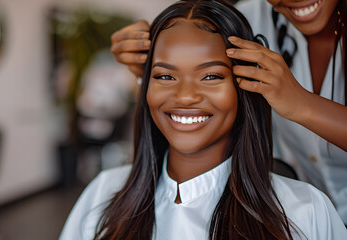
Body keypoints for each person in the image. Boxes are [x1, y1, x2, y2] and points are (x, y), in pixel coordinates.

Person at [59, 1, 346, 239]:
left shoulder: (305, 212)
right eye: (164, 76)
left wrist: (302, 103)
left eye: (210, 76)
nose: (185, 96)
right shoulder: (100, 196)